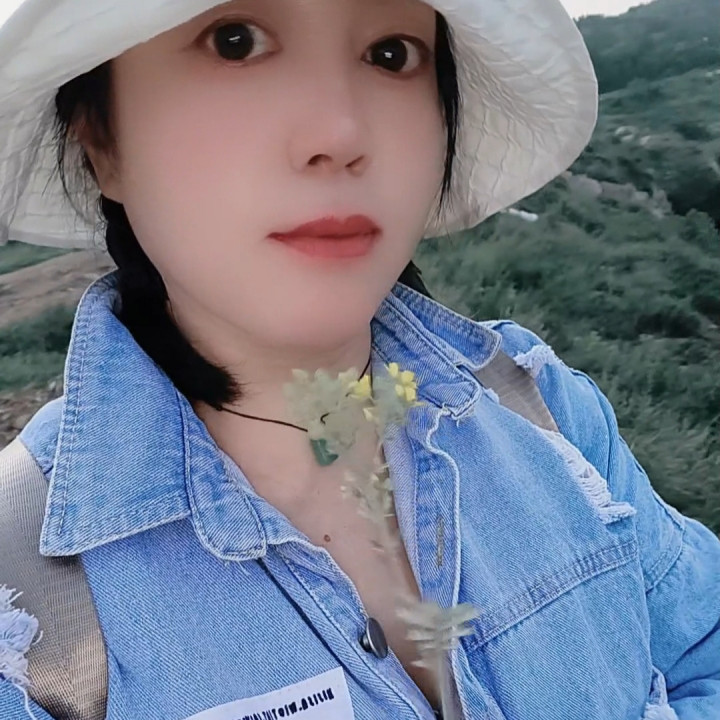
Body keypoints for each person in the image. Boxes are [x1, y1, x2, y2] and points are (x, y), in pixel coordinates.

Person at [0, 0, 718, 718]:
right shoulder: (23, 604)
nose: (340, 135)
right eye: (235, 42)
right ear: (102, 139)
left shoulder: (535, 401)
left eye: (392, 55)